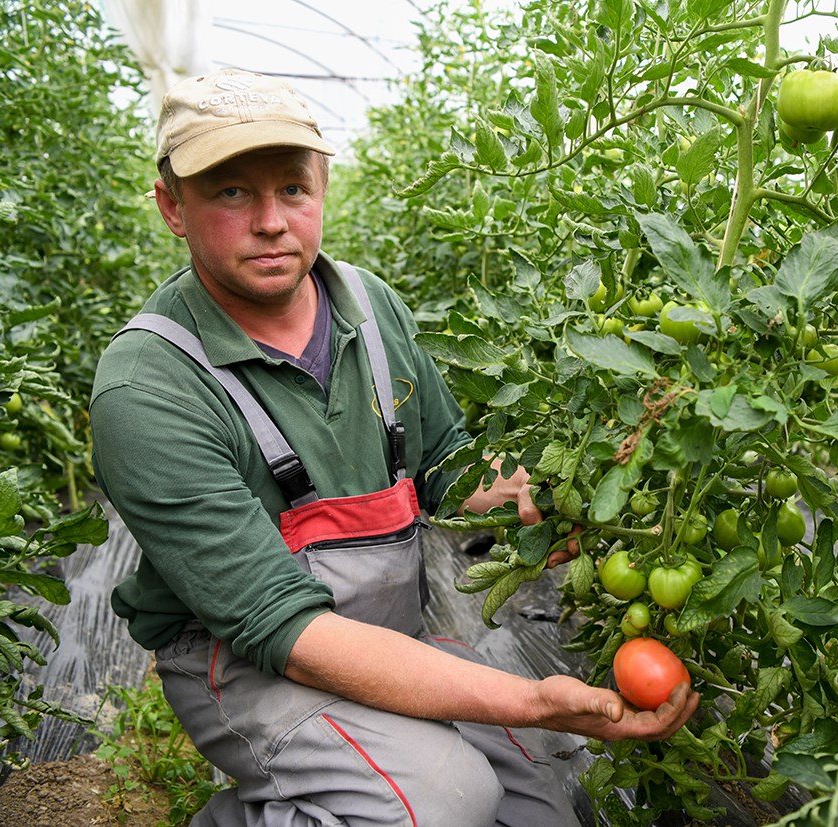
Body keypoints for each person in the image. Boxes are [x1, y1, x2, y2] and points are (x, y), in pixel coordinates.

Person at [90, 68, 698, 827]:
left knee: (541, 796)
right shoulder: (148, 388)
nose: (272, 220)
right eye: (231, 193)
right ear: (171, 207)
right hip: (245, 660)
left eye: (293, 187)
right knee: (443, 799)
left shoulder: (370, 306)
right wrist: (532, 698)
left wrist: (566, 481)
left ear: (324, 187)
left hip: (386, 633)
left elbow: (447, 466)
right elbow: (287, 631)